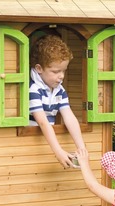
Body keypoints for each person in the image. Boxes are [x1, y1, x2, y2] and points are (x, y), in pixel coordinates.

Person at [29, 34, 86, 168]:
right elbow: (42, 122)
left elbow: (69, 117)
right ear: (39, 69)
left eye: (64, 71)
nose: (61, 76)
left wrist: (82, 148)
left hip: (47, 141)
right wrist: (58, 151)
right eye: (55, 71)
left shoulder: (59, 90)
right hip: (31, 144)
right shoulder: (33, 89)